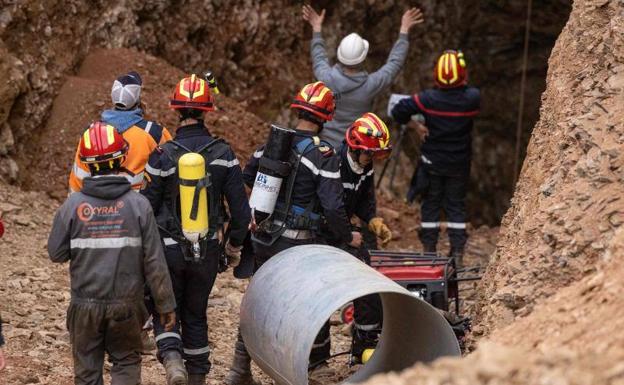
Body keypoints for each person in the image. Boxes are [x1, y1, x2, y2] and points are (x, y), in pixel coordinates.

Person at [225, 81, 361, 385]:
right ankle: (293, 371)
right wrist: (347, 236)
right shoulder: (323, 154)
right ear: (326, 117)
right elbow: (332, 205)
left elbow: (248, 176)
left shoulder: (273, 144)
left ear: (297, 109)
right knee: (300, 308)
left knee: (258, 301)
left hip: (264, 239)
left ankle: (238, 369)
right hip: (298, 246)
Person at [141, 74, 251, 385]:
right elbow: (241, 214)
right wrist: (232, 248)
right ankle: (196, 379)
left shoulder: (162, 154)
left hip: (168, 250)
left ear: (176, 111)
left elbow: (145, 207)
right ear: (207, 111)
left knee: (166, 307)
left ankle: (173, 358)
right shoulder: (224, 155)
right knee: (196, 314)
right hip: (208, 248)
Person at [48, 121, 177, 385]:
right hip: (128, 306)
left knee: (86, 371)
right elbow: (154, 261)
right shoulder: (139, 205)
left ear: (86, 163)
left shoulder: (73, 206)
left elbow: (56, 253)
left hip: (84, 306)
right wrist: (166, 305)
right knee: (127, 361)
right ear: (122, 158)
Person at [391, 50, 480, 266]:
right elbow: (466, 92)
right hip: (459, 163)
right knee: (455, 205)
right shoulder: (472, 98)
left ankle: (429, 250)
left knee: (430, 204)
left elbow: (398, 112)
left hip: (432, 163)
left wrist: (416, 125)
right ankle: (457, 252)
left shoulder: (428, 99)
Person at [302, 4, 425, 148]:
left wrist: (316, 28)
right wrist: (404, 30)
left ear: (339, 54)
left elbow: (319, 57)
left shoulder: (326, 78)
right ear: (363, 58)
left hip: (324, 146)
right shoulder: (370, 86)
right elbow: (394, 64)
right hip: (351, 148)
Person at [332, 112, 393, 362]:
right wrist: (347, 236)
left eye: (377, 155)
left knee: (369, 283)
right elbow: (330, 207)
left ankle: (364, 346)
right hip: (325, 230)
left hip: (345, 228)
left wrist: (373, 220)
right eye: (370, 153)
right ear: (354, 148)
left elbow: (364, 198)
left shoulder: (364, 166)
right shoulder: (334, 164)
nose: (372, 159)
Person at [69, 71, 172, 192]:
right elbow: (169, 171)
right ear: (138, 98)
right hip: (139, 206)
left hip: (97, 206)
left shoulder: (91, 134)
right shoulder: (154, 133)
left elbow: (78, 180)